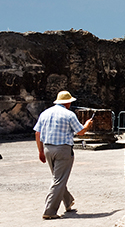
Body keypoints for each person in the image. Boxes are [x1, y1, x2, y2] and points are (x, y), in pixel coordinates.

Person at [34, 90, 94, 219]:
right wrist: (87, 125)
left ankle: (68, 201)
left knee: (58, 178)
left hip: (48, 148)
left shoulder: (45, 113)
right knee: (59, 180)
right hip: (63, 149)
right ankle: (49, 211)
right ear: (67, 103)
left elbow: (37, 133)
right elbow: (81, 132)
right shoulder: (69, 115)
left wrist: (40, 151)